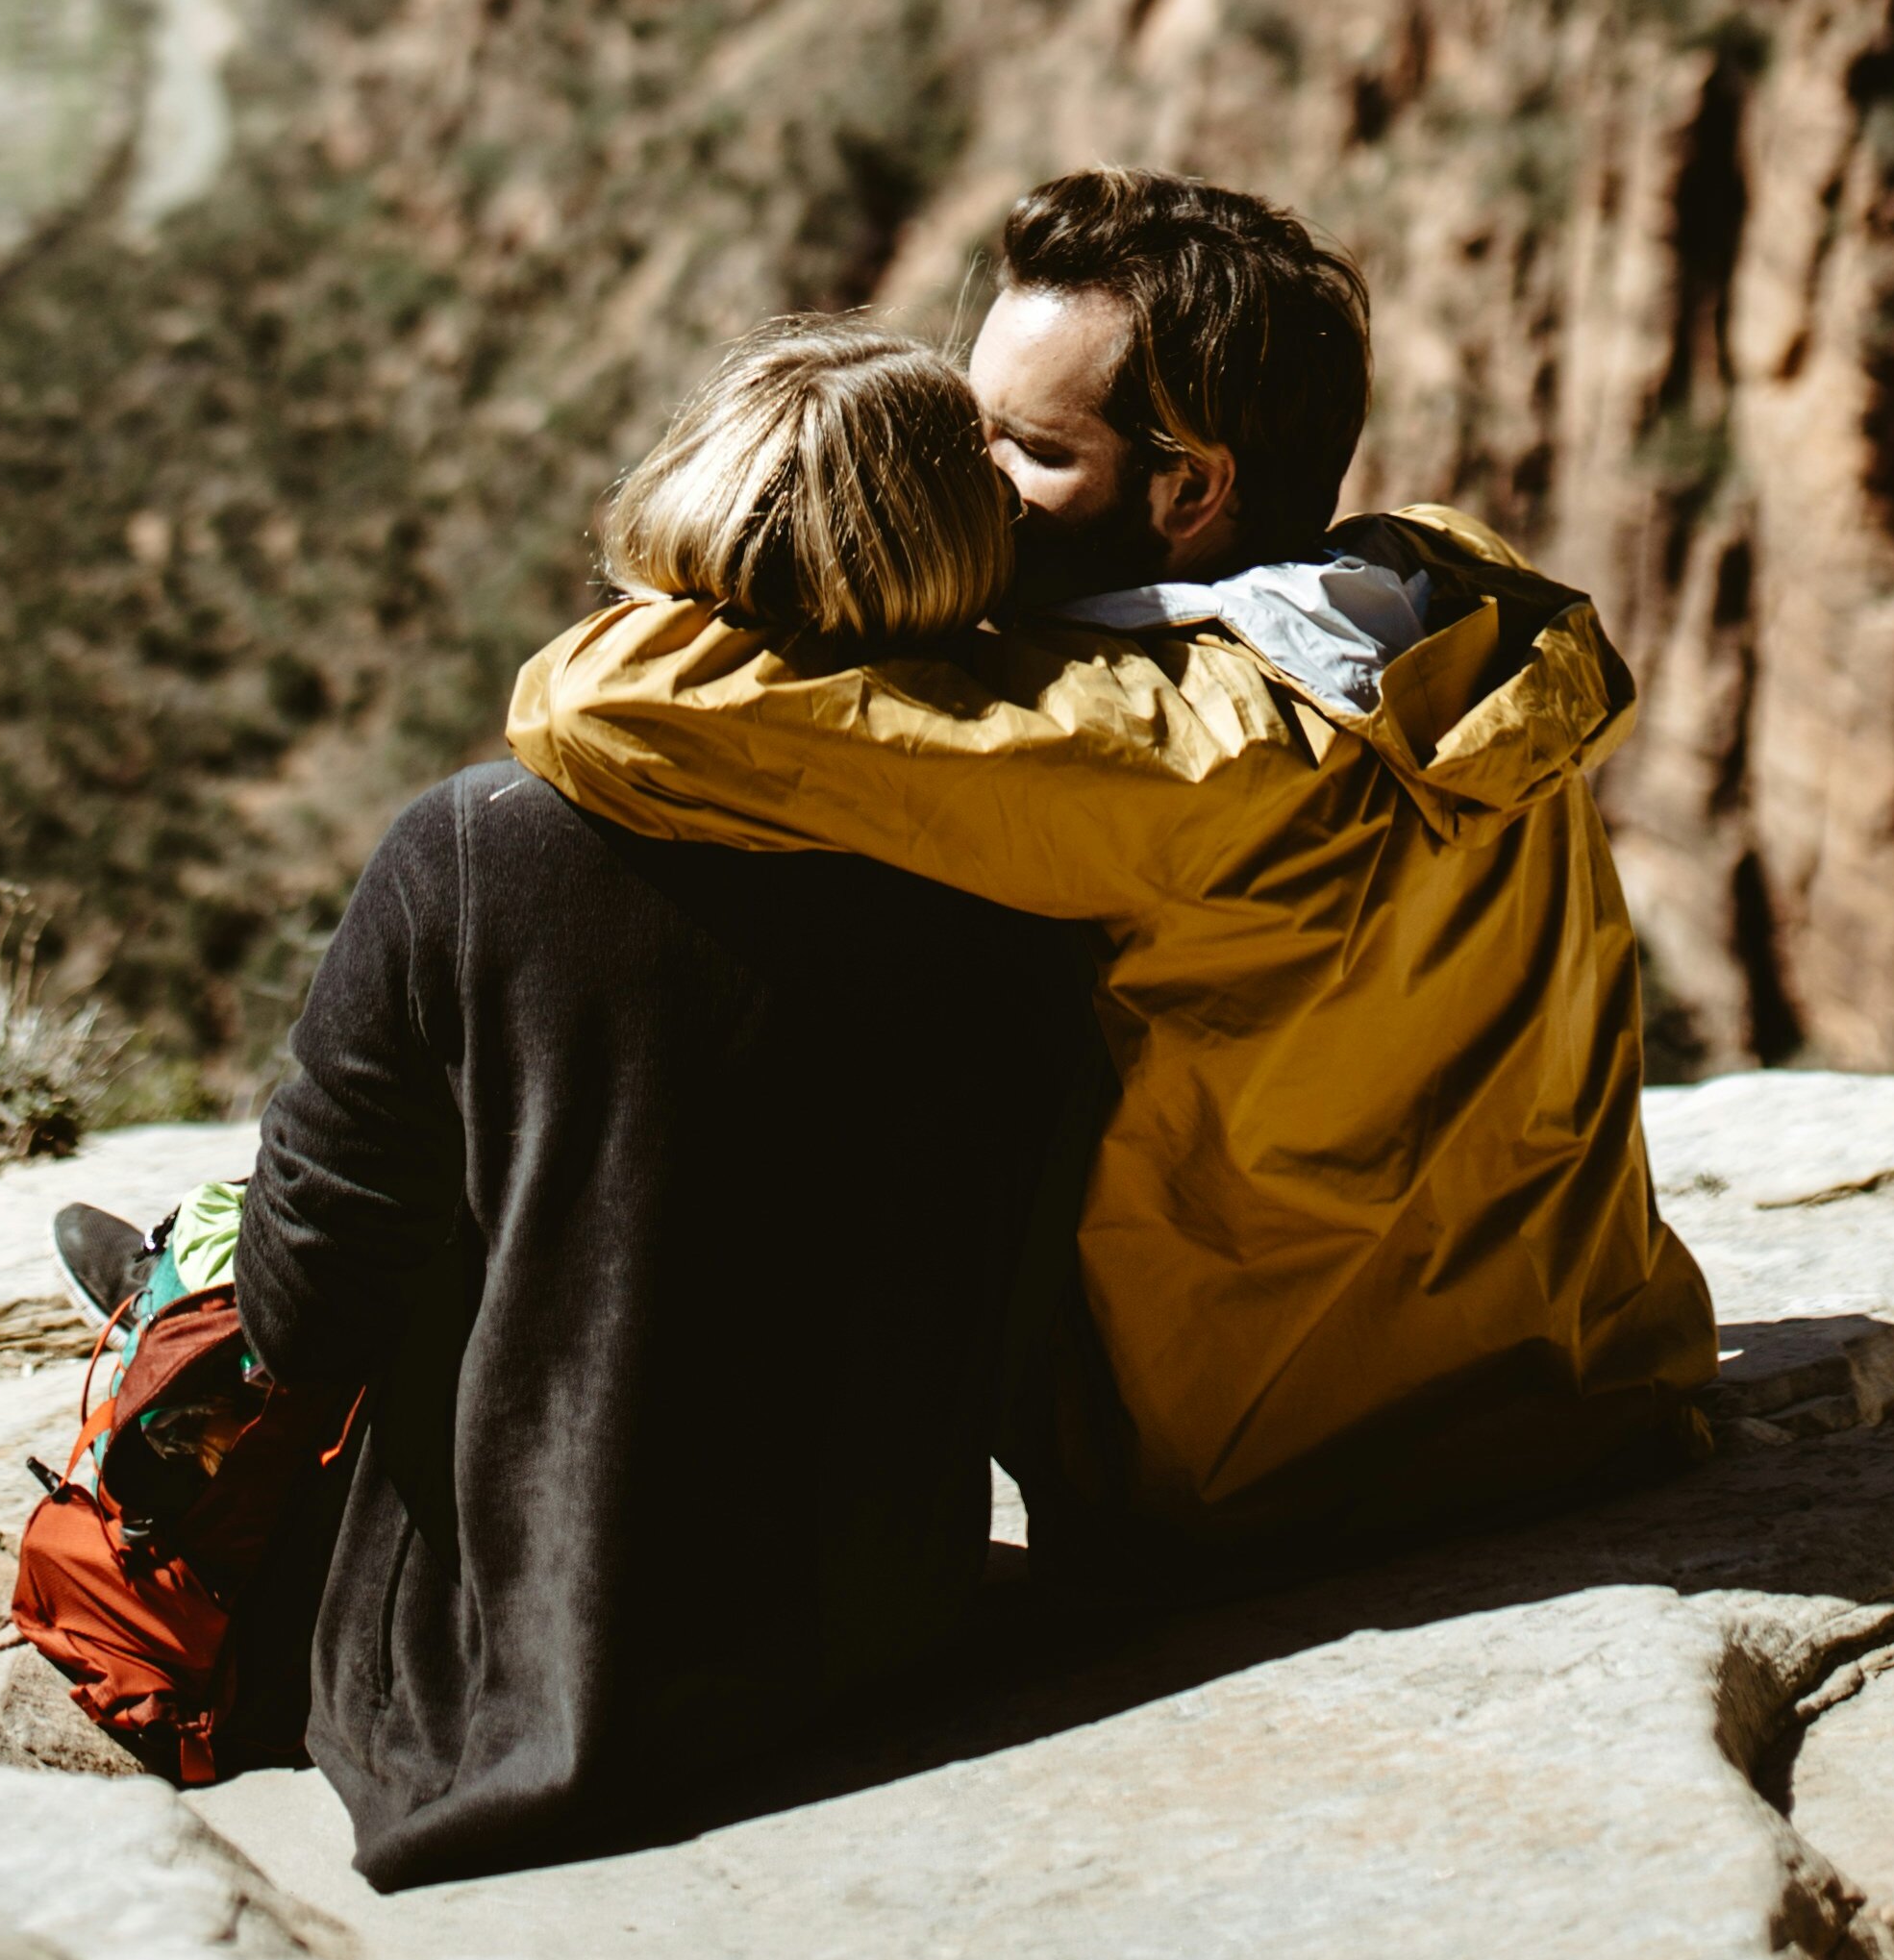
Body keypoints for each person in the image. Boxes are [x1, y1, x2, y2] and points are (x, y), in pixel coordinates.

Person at [509, 168, 1718, 1547]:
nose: (969, 477)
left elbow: (599, 701)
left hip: (1266, 1479)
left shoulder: (1158, 747)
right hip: (1582, 1386)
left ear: (1190, 488)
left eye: (1025, 450)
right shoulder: (1449, 594)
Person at [212, 317, 1104, 1889]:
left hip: (518, 1680)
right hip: (885, 1626)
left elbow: (306, 1314)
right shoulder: (1037, 863)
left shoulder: (477, 850)